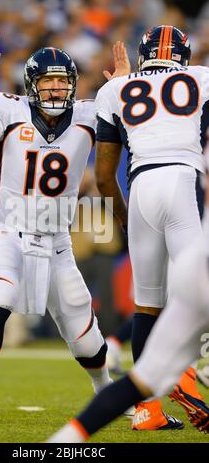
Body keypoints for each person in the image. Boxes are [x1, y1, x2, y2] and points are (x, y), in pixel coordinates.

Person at [0, 28, 131, 423]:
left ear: (72, 85)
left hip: (57, 243)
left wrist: (124, 85)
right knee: (1, 298)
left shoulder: (90, 114)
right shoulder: (9, 108)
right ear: (31, 84)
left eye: (62, 81)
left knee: (86, 335)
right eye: (47, 81)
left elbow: (136, 120)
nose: (55, 89)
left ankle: (106, 397)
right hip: (10, 232)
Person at [46, 111, 209, 446]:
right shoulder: (196, 93)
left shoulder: (130, 100)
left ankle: (61, 444)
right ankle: (190, 376)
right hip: (184, 217)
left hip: (194, 262)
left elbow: (106, 177)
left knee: (143, 368)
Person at [86, 24, 209, 431]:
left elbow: (104, 176)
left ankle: (147, 412)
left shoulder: (113, 90)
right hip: (182, 180)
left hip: (140, 189)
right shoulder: (202, 77)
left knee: (147, 306)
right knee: (196, 292)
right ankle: (190, 380)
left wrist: (123, 216)